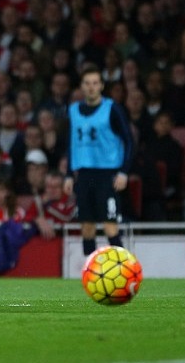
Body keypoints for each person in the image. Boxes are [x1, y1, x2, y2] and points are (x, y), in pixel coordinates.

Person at [63, 67, 134, 257]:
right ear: (81, 86)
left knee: (110, 225)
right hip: (84, 174)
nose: (91, 87)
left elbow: (129, 140)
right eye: (87, 83)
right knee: (87, 227)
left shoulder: (112, 108)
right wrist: (69, 174)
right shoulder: (73, 110)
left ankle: (122, 267)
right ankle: (90, 268)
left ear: (101, 86)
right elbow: (72, 143)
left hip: (107, 174)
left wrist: (124, 172)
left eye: (95, 83)